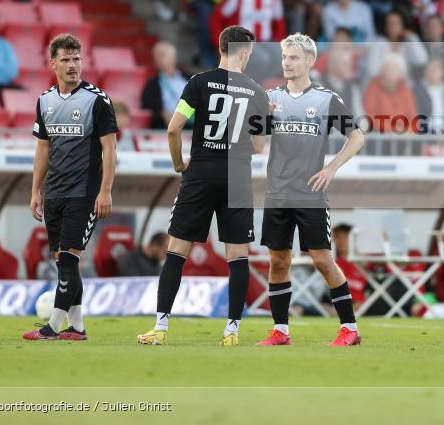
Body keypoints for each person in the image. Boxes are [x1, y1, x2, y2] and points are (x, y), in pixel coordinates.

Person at [137, 26, 269, 347]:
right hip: (236, 177)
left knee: (177, 250)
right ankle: (232, 332)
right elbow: (258, 145)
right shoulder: (257, 92)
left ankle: (160, 327)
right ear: (243, 52)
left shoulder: (198, 83)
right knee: (237, 256)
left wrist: (179, 164)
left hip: (200, 173)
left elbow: (173, 129)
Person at [256, 34, 365, 347]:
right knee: (278, 262)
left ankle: (349, 328)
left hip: (310, 195)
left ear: (309, 61)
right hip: (277, 192)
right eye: (284, 57)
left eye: (293, 58)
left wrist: (331, 168)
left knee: (321, 260)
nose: (287, 63)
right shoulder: (270, 97)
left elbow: (357, 137)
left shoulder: (325, 99)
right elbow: (257, 142)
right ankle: (281, 331)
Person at [23, 34, 118, 342]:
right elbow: (42, 150)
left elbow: (110, 150)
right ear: (53, 64)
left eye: (77, 59)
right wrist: (36, 191)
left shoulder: (97, 100)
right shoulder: (45, 101)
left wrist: (105, 191)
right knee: (66, 262)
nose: (72, 65)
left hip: (84, 193)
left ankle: (52, 326)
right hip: (55, 194)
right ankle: (76, 327)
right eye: (65, 59)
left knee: (68, 259)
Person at [141, 41, 189, 130]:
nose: (157, 58)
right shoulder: (152, 84)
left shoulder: (190, 78)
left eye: (161, 55)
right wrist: (161, 114)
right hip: (164, 128)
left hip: (190, 126)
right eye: (155, 56)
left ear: (173, 58)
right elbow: (147, 108)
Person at [329, 223, 366, 312]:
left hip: (361, 304)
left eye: (346, 237)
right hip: (335, 303)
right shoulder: (330, 263)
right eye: (338, 237)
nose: (342, 241)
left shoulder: (363, 264)